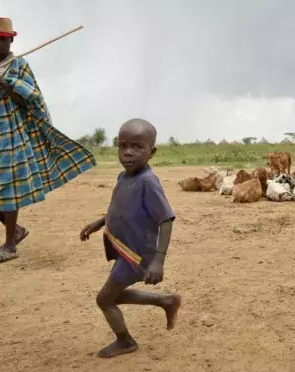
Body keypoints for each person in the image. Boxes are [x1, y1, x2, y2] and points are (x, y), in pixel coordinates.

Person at [0, 16, 96, 264]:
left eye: (5, 39)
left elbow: (28, 100)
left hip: (13, 133)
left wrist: (5, 82)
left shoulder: (18, 65)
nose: (0, 42)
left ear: (11, 40)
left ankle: (10, 245)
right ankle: (17, 231)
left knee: (8, 187)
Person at [80, 118, 181, 358]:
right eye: (123, 145)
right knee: (114, 294)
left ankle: (125, 341)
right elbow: (120, 208)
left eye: (137, 147)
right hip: (124, 248)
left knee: (104, 299)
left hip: (137, 254)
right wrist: (98, 222)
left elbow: (166, 220)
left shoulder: (147, 182)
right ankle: (166, 301)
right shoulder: (123, 177)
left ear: (152, 152)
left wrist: (158, 261)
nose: (128, 153)